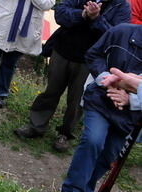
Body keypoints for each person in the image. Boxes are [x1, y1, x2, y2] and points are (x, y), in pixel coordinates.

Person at [15, 0, 130, 152]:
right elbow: (60, 13)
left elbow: (116, 35)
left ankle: (65, 134)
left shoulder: (121, 5)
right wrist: (83, 15)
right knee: (51, 90)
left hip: (91, 61)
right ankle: (36, 125)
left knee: (77, 101)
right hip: (63, 51)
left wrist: (96, 19)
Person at [60, 23, 142, 192]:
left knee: (108, 156)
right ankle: (72, 189)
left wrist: (131, 99)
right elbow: (93, 54)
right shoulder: (121, 32)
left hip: (129, 114)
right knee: (93, 140)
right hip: (101, 100)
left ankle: (87, 187)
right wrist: (105, 78)